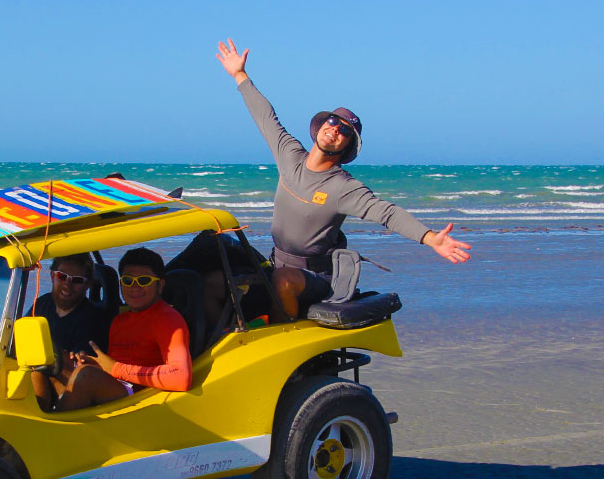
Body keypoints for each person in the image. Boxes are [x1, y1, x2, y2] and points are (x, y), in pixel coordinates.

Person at [216, 38, 471, 318]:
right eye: (333, 121)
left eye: (346, 131)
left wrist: (431, 238)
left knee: (283, 281)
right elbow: (266, 117)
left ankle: (289, 339)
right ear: (321, 126)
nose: (336, 129)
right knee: (216, 270)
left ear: (347, 146)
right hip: (275, 263)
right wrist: (240, 75)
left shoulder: (343, 187)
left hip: (316, 279)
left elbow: (387, 213)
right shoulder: (289, 155)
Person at [55, 247, 192, 410]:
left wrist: (115, 369)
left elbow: (181, 377)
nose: (135, 287)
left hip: (143, 399)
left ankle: (57, 423)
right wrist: (95, 363)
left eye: (143, 281)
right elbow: (115, 367)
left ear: (160, 285)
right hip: (118, 386)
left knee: (85, 376)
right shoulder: (120, 320)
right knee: (52, 362)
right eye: (128, 280)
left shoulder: (168, 319)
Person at [28, 253, 112, 411]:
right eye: (62, 276)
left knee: (37, 368)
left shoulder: (93, 319)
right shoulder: (42, 304)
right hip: (36, 379)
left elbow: (80, 365)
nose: (67, 285)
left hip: (69, 392)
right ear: (52, 276)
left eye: (76, 280)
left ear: (88, 285)